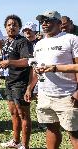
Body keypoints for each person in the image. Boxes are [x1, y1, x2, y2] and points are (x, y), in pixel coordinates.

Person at [24, 11, 78, 149]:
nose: (44, 23)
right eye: (42, 20)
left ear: (59, 23)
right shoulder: (39, 44)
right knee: (51, 128)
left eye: (48, 20)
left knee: (74, 132)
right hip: (45, 95)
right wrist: (30, 87)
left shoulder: (71, 39)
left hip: (67, 95)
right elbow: (37, 68)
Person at [0, 15, 33, 149]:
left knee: (23, 114)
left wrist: (9, 62)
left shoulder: (23, 42)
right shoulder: (8, 41)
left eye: (15, 24)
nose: (12, 27)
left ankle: (25, 145)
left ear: (19, 27)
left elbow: (28, 61)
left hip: (21, 82)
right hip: (10, 81)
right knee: (13, 113)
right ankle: (15, 141)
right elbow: (4, 57)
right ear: (5, 28)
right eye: (9, 25)